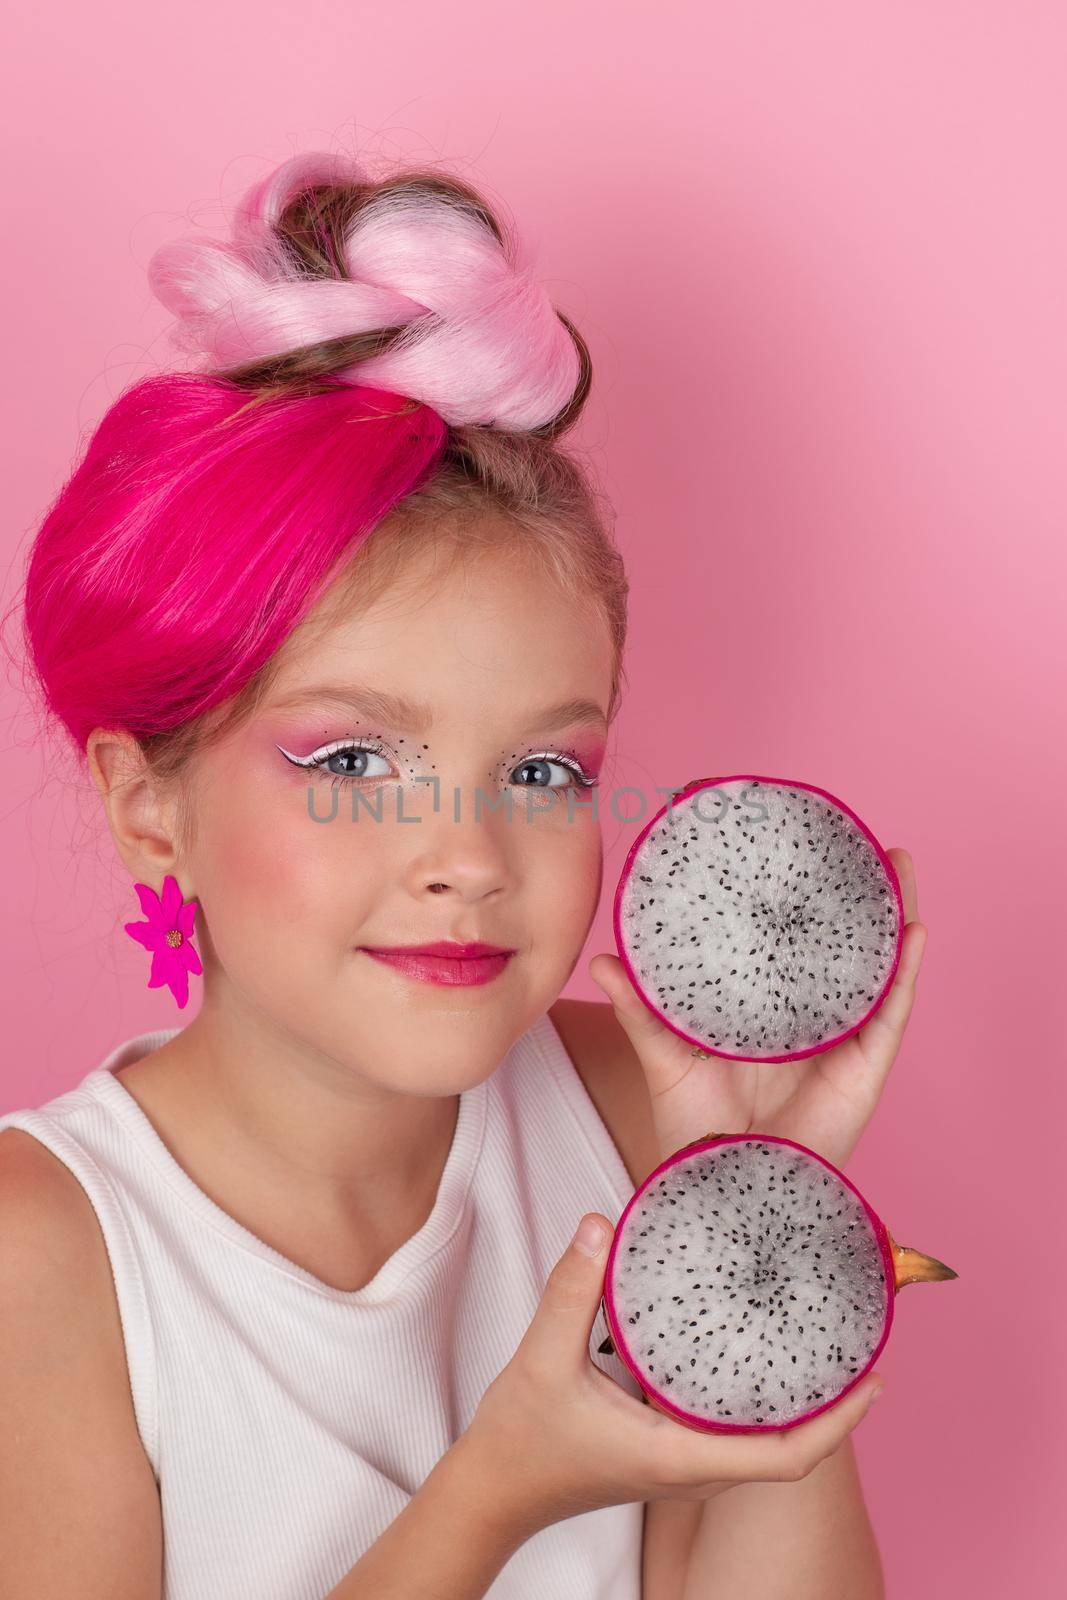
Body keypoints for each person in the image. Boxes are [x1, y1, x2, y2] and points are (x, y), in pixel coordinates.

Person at [0, 150, 925, 1598]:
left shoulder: (629, 1115)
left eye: (545, 772)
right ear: (148, 808)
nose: (469, 858)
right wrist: (494, 1493)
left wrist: (755, 1203)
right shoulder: (46, 1258)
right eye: (354, 765)